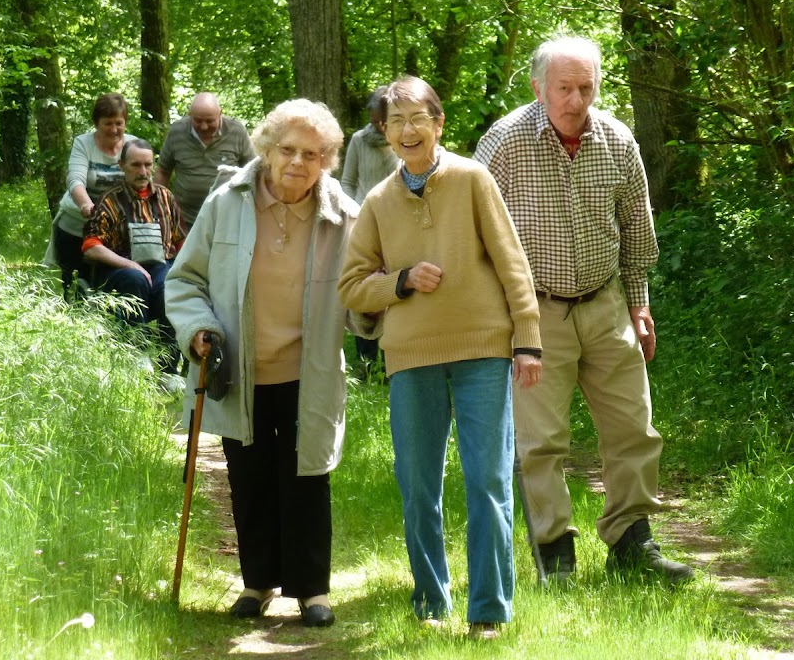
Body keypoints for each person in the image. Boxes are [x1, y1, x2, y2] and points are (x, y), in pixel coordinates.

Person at [473, 35, 694, 584]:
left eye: (586, 87)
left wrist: (639, 304)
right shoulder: (504, 142)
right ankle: (555, 556)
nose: (576, 100)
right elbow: (473, 229)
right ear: (538, 87)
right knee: (541, 441)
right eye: (564, 88)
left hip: (606, 303)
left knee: (632, 429)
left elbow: (638, 231)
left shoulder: (618, 141)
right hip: (534, 312)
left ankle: (631, 541)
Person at [337, 76, 542, 640]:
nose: (406, 130)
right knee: (419, 485)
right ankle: (431, 600)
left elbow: (512, 262)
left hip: (483, 350)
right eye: (394, 121)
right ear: (383, 132)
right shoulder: (377, 202)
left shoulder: (474, 180)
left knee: (488, 481)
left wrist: (527, 339)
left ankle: (489, 611)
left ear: (438, 124)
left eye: (416, 118)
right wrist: (398, 282)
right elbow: (352, 286)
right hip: (410, 356)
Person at [165, 98, 366, 628]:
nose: (298, 162)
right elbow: (185, 280)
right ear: (266, 148)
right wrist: (198, 330)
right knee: (249, 475)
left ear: (326, 160)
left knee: (307, 475)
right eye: (288, 150)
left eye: (312, 153)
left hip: (310, 367)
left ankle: (312, 590)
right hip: (241, 365)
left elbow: (363, 289)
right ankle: (257, 582)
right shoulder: (227, 202)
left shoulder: (344, 216)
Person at [83, 139, 187, 369]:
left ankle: (168, 368)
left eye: (147, 165)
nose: (143, 172)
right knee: (135, 279)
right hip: (118, 270)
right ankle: (137, 356)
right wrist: (130, 265)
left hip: (161, 266)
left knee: (172, 286)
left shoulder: (165, 197)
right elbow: (91, 246)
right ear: (121, 165)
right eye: (135, 165)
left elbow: (180, 241)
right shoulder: (109, 200)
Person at [46, 93, 137, 299]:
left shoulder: (134, 145)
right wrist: (87, 205)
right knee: (75, 286)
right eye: (108, 123)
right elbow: (75, 180)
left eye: (119, 123)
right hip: (77, 223)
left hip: (117, 226)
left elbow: (142, 179)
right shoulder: (84, 143)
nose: (114, 129)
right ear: (97, 123)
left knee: (112, 282)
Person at [340, 85, 397, 372]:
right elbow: (347, 182)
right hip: (363, 225)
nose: (378, 126)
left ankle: (392, 364)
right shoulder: (360, 140)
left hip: (398, 227)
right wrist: (355, 213)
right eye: (374, 120)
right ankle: (364, 363)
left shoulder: (405, 140)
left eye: (383, 121)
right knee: (366, 288)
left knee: (396, 288)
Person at [154, 92, 257, 228]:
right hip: (184, 218)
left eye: (209, 121)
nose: (203, 126)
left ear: (220, 114)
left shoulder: (236, 131)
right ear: (190, 115)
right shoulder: (177, 131)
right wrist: (156, 206)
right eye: (197, 120)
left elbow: (253, 170)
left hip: (227, 217)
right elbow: (163, 170)